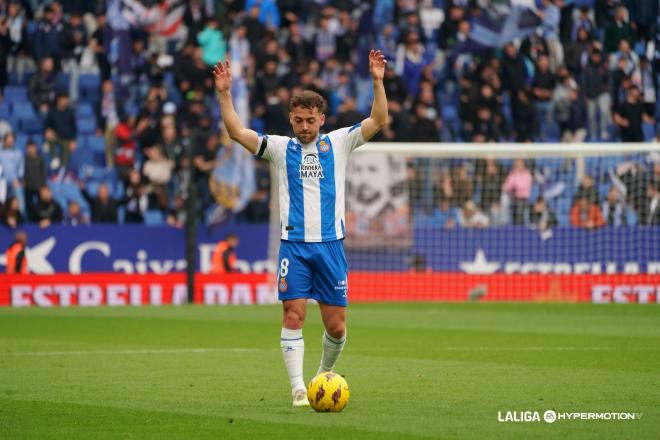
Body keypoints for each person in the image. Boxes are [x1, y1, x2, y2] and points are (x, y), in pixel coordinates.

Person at [213, 49, 388, 407]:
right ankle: (297, 389)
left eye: (310, 120)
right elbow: (235, 132)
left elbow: (379, 120)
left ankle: (322, 376)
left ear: (321, 118)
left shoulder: (339, 142)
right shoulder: (280, 148)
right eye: (298, 120)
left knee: (336, 327)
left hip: (330, 246)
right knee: (293, 314)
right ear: (291, 120)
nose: (304, 127)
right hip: (294, 246)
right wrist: (225, 94)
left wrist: (377, 81)